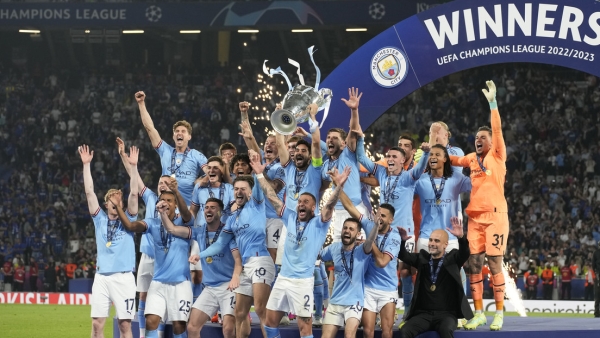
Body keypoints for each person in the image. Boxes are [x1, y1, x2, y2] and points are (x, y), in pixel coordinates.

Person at [252, 142, 350, 338]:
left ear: (313, 208)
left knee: (305, 330)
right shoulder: (289, 217)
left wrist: (338, 186)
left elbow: (329, 206)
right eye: (300, 202)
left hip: (302, 283)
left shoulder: (319, 223)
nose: (301, 204)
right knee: (270, 323)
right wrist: (260, 174)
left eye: (306, 202)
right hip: (283, 279)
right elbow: (272, 196)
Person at [448, 81, 508, 331]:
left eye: (483, 137)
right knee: (473, 264)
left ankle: (500, 314)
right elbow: (454, 159)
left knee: (494, 264)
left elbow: (497, 129)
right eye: (476, 138)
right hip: (474, 219)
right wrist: (435, 150)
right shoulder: (471, 159)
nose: (478, 140)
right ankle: (480, 313)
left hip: (495, 218)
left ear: (492, 142)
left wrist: (493, 104)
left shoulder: (497, 155)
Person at [353, 126, 430, 319]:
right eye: (389, 156)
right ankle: (380, 311)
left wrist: (426, 153)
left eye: (395, 157)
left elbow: (420, 170)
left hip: (405, 232)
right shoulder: (381, 173)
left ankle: (408, 313)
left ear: (403, 160)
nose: (391, 159)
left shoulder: (408, 176)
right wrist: (361, 139)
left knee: (405, 271)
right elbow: (362, 159)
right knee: (380, 267)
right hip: (383, 230)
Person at [197, 174, 273, 338]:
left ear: (250, 193)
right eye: (236, 189)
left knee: (260, 308)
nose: (239, 192)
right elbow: (219, 244)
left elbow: (259, 183)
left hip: (260, 260)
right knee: (239, 313)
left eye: (243, 189)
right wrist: (199, 255)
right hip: (246, 266)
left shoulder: (257, 204)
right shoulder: (231, 219)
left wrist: (258, 171)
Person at [112, 186, 194, 338]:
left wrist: (176, 191)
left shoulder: (184, 221)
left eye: (169, 200)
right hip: (158, 283)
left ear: (175, 204)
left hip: (181, 283)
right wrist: (117, 207)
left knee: (179, 325)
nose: (165, 203)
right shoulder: (153, 223)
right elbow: (130, 226)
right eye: (162, 200)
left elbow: (187, 214)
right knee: (151, 321)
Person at [79, 144, 139, 338]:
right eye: (112, 201)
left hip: (124, 278)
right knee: (97, 324)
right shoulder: (99, 219)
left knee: (124, 326)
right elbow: (89, 192)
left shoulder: (129, 218)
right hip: (102, 277)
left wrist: (134, 167)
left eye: (118, 200)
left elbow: (134, 192)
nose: (116, 203)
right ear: (106, 204)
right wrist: (87, 165)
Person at [117, 137, 173, 338]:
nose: (162, 185)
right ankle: (142, 334)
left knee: (162, 295)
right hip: (147, 254)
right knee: (143, 294)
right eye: (160, 182)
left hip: (165, 257)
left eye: (166, 183)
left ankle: (158, 333)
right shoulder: (149, 197)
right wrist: (125, 157)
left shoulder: (174, 205)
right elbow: (134, 175)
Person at [162, 197, 242, 338]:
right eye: (206, 207)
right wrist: (162, 213)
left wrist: (235, 277)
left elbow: (238, 260)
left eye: (213, 207)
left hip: (229, 287)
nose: (208, 210)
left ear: (220, 212)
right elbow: (172, 229)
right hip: (210, 288)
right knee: (192, 327)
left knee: (229, 329)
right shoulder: (199, 231)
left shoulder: (228, 232)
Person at [397, 217, 473, 338]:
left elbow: (465, 253)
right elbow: (403, 255)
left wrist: (461, 238)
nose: (432, 243)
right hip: (423, 315)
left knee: (446, 330)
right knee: (405, 330)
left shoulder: (453, 259)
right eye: (431, 240)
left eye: (437, 241)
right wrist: (402, 242)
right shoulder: (423, 258)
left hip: (446, 315)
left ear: (445, 245)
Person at [339, 191, 400, 338]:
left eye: (383, 216)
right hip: (368, 288)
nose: (378, 218)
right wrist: (338, 186)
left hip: (388, 289)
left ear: (391, 220)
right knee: (368, 331)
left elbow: (382, 262)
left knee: (387, 331)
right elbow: (349, 207)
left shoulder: (395, 237)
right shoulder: (367, 224)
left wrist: (369, 241)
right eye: (377, 214)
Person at [135, 91, 208, 206]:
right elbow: (150, 128)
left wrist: (200, 181)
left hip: (188, 208)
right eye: (177, 131)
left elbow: (212, 173)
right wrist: (141, 103)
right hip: (167, 207)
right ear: (173, 136)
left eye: (183, 131)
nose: (179, 133)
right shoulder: (165, 150)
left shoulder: (196, 155)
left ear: (189, 136)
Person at [239, 103, 286, 263]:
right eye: (266, 143)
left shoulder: (282, 167)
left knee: (273, 254)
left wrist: (260, 170)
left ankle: (273, 285)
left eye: (273, 143)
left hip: (275, 218)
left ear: (280, 148)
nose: (268, 145)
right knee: (257, 253)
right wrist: (244, 113)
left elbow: (273, 187)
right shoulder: (262, 159)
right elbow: (249, 137)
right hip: (258, 217)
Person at [319, 213, 378, 338]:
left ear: (357, 234)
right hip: (335, 302)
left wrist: (376, 226)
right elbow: (318, 254)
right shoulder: (334, 248)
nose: (347, 231)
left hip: (353, 303)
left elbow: (370, 241)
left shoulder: (362, 250)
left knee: (349, 335)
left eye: (351, 229)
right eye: (345, 228)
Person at [322, 88, 368, 243]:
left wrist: (354, 111)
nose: (330, 140)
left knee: (359, 252)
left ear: (343, 144)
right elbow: (318, 145)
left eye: (334, 138)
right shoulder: (326, 165)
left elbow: (353, 131)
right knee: (337, 254)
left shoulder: (348, 155)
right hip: (338, 212)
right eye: (328, 138)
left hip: (355, 210)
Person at [592, 242, 600, 317]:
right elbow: (593, 265)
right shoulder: (596, 253)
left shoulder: (595, 252)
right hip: (598, 275)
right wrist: (595, 275)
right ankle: (597, 312)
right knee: (597, 294)